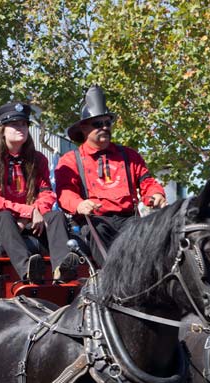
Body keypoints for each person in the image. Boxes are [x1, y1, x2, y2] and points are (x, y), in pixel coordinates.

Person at [55, 85, 167, 266]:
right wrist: (79, 204)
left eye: (108, 123)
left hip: (129, 220)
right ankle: (111, 282)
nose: (105, 128)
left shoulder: (129, 155)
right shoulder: (71, 160)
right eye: (98, 124)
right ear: (84, 128)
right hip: (95, 221)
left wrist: (156, 194)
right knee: (98, 232)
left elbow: (147, 182)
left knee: (150, 237)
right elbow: (65, 192)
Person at [0, 101, 78, 283]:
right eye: (14, 124)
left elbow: (47, 193)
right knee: (5, 217)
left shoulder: (39, 159)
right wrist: (29, 212)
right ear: (2, 130)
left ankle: (62, 271)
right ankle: (28, 271)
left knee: (55, 216)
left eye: (23, 124)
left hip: (27, 220)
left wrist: (30, 215)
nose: (20, 128)